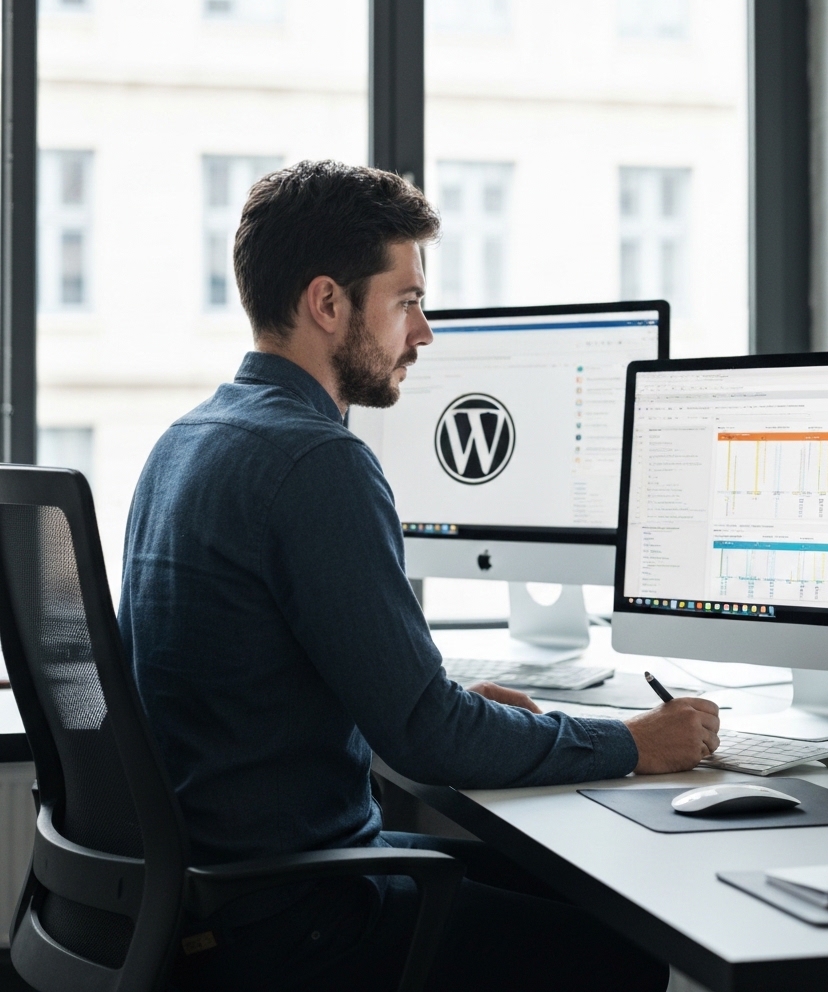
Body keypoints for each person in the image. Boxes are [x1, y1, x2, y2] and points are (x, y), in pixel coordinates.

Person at [119, 160, 720, 991]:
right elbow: (426, 737)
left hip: (216, 891)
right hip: (297, 915)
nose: (426, 332)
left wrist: (457, 708)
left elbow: (269, 687)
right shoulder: (317, 461)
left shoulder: (188, 439)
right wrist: (631, 742)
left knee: (579, 890)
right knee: (633, 948)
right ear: (327, 304)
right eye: (406, 302)